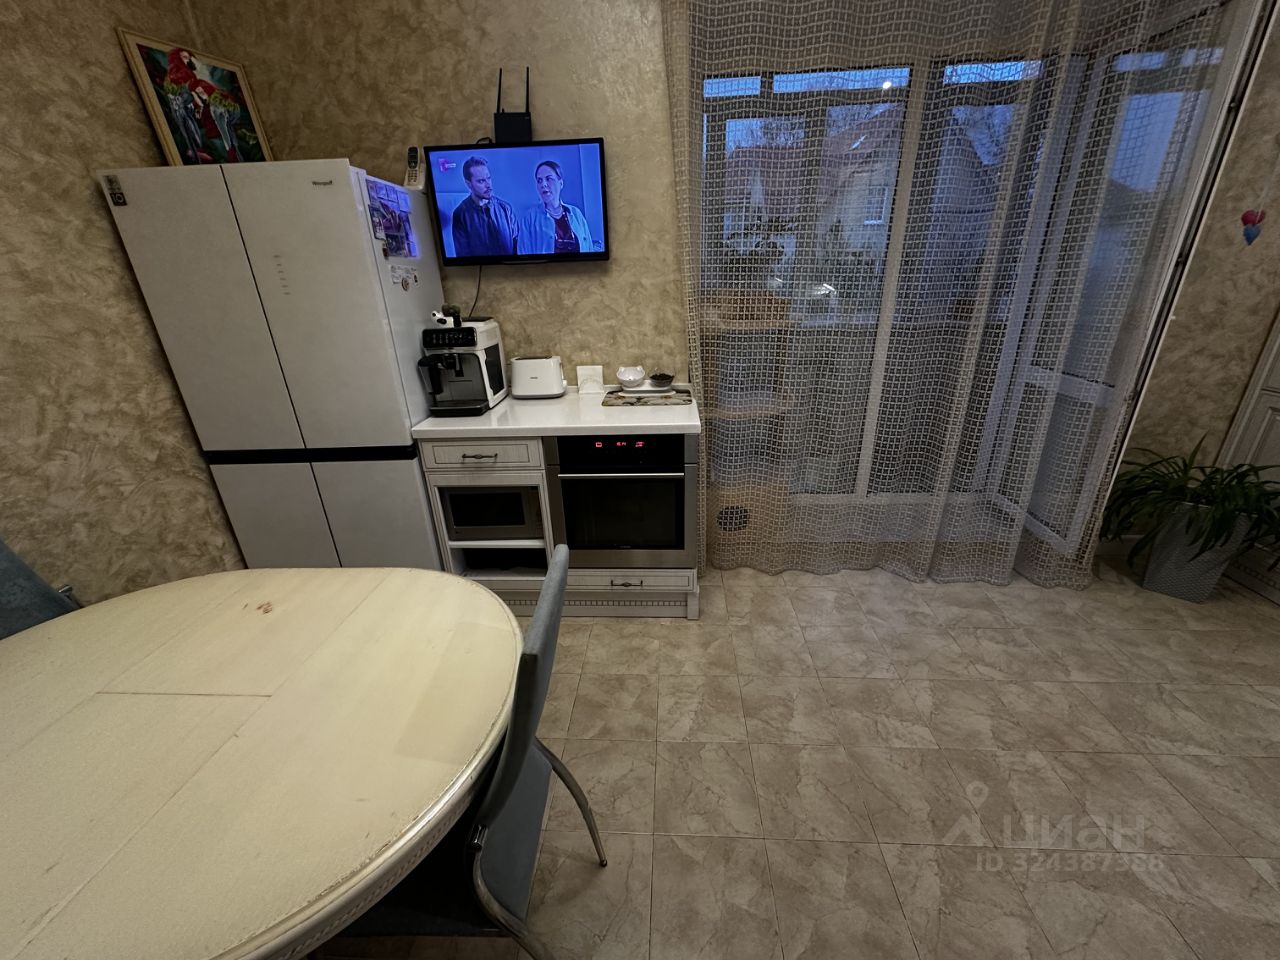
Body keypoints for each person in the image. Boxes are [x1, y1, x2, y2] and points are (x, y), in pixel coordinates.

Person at [518, 160, 594, 255]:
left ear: (561, 183)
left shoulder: (576, 213)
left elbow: (589, 248)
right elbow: (523, 253)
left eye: (548, 179)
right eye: (539, 181)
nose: (543, 184)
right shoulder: (530, 218)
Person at [450, 156, 518, 257]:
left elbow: (517, 247)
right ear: (469, 184)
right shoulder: (460, 215)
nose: (488, 185)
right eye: (481, 181)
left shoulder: (505, 209)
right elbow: (463, 257)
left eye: (488, 178)